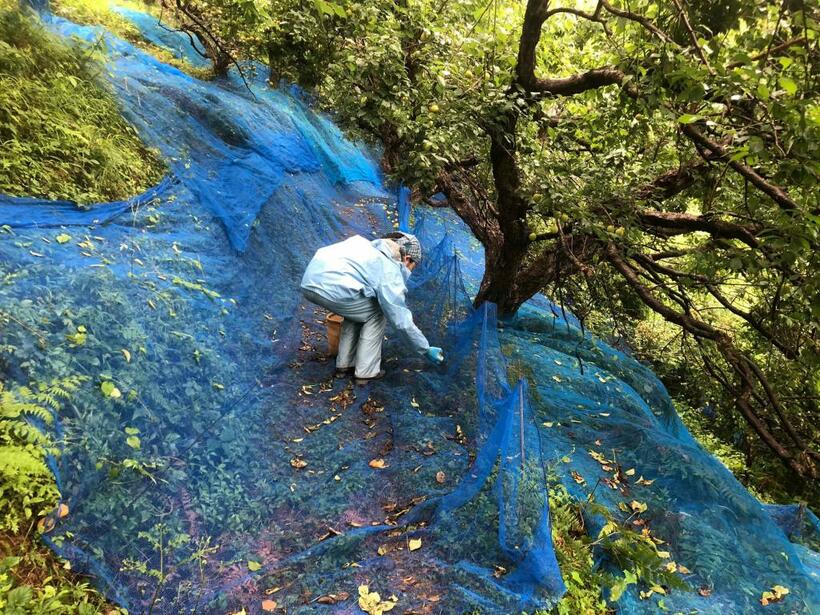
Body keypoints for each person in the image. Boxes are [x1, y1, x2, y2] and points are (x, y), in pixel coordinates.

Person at [300, 231, 444, 385]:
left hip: (310, 282)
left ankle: (344, 365)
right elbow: (399, 318)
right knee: (379, 311)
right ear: (407, 259)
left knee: (358, 309)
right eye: (412, 267)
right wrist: (424, 348)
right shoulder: (389, 266)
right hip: (332, 289)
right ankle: (365, 372)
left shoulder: (365, 247)